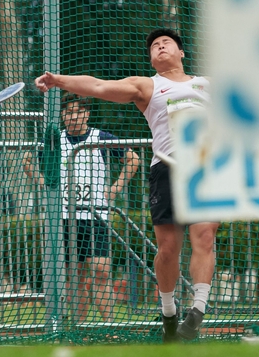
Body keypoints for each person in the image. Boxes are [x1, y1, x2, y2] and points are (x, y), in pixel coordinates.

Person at [35, 28, 216, 342]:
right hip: (167, 170)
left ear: (181, 52)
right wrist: (58, 80)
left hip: (204, 168)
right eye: (154, 46)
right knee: (168, 250)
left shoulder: (206, 85)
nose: (160, 46)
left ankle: (197, 311)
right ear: (150, 58)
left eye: (166, 43)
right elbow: (98, 86)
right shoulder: (147, 86)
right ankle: (169, 311)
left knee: (205, 237)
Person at [59, 93, 139, 322]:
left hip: (96, 217)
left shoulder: (100, 137)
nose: (73, 116)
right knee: (74, 276)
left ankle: (109, 326)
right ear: (63, 115)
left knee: (101, 271)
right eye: (68, 112)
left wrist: (115, 188)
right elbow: (29, 161)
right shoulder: (56, 140)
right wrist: (44, 184)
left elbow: (133, 159)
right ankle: (78, 327)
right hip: (65, 217)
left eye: (78, 112)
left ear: (87, 114)